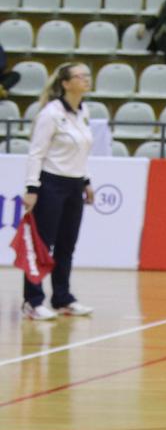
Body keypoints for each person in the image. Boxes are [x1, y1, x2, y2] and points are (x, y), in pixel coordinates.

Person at [15, 62, 95, 320]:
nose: (86, 79)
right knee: (41, 246)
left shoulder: (84, 111)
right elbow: (36, 153)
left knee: (66, 245)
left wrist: (86, 181)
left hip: (74, 185)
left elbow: (81, 151)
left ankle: (62, 298)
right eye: (80, 76)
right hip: (51, 184)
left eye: (87, 75)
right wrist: (32, 187)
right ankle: (33, 301)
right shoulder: (51, 114)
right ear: (65, 83)